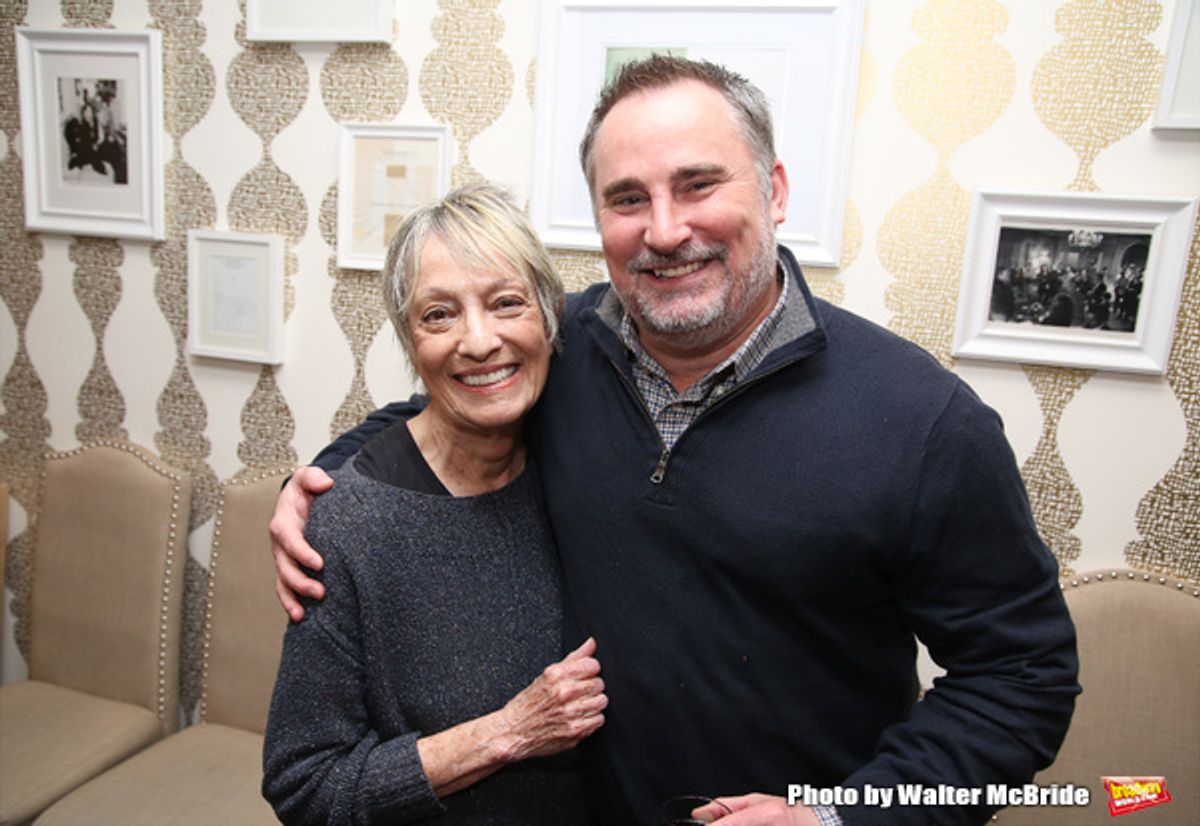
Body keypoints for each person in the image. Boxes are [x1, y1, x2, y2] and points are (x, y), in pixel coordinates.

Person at [271, 57, 1079, 826]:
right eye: (628, 199)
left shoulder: (922, 422)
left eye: (698, 185)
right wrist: (320, 481)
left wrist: (841, 812)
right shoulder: (571, 349)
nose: (665, 230)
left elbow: (1021, 677)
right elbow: (448, 403)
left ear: (775, 189)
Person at [261, 183, 607, 825]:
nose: (478, 342)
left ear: (549, 319)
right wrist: (505, 733)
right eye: (438, 315)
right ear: (409, 341)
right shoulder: (344, 528)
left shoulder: (579, 464)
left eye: (507, 303)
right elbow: (304, 786)